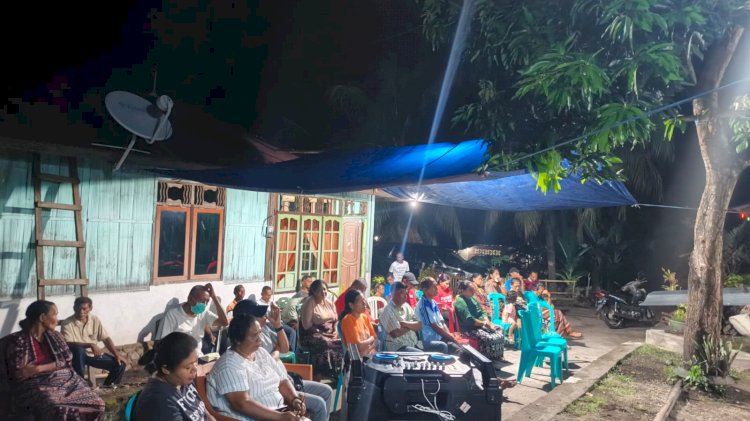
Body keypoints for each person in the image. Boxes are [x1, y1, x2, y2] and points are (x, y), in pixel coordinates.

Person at [208, 314, 329, 421]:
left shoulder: (261, 353)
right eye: (254, 336)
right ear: (238, 340)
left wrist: (294, 399)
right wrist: (281, 417)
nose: (260, 339)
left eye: (260, 333)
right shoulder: (229, 365)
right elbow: (241, 403)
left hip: (279, 410)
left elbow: (282, 381)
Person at [7, 300, 104, 420]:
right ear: (42, 317)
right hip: (37, 384)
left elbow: (66, 360)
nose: (57, 320)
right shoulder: (18, 341)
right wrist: (51, 367)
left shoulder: (56, 336)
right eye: (55, 315)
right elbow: (20, 373)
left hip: (66, 380)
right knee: (58, 407)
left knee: (97, 404)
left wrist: (38, 368)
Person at [234, 300, 333, 414]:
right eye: (259, 315)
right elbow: (266, 361)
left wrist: (278, 325)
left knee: (327, 391)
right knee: (319, 404)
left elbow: (285, 348)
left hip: (286, 379)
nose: (265, 316)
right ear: (247, 320)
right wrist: (277, 350)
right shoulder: (247, 342)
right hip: (275, 387)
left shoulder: (265, 329)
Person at [134, 332, 215, 421]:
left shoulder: (181, 380)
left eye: (195, 362)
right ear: (166, 369)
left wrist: (210, 417)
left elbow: (198, 405)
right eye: (188, 367)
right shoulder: (160, 402)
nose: (194, 369)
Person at [60, 296, 127, 387]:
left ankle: (107, 388)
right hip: (76, 357)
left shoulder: (95, 319)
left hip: (93, 354)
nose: (81, 311)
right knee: (79, 350)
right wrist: (90, 344)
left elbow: (106, 338)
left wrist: (117, 355)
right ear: (74, 308)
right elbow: (68, 343)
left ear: (90, 308)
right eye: (78, 308)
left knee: (120, 365)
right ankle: (80, 385)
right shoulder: (67, 323)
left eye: (84, 309)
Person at [157, 283, 229, 357]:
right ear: (190, 299)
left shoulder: (204, 313)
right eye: (202, 301)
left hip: (198, 357)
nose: (204, 305)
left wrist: (214, 297)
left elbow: (224, 322)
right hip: (179, 358)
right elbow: (162, 343)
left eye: (207, 302)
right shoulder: (172, 315)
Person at [299, 280, 343, 378]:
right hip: (311, 333)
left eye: (325, 289)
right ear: (314, 291)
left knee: (341, 342)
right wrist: (323, 334)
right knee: (324, 342)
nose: (323, 292)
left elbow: (336, 320)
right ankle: (320, 373)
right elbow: (307, 326)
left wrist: (335, 331)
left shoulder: (330, 303)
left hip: (330, 332)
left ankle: (336, 372)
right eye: (320, 290)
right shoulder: (309, 303)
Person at [454, 281, 505, 360]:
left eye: (473, 289)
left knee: (499, 329)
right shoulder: (460, 302)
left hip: (480, 326)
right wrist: (484, 323)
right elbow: (469, 320)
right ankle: (485, 359)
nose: (473, 291)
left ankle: (496, 356)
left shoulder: (472, 299)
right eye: (470, 289)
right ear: (463, 291)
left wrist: (486, 320)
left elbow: (482, 311)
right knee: (486, 337)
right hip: (468, 329)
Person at [415, 278, 462, 355]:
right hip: (428, 340)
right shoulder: (423, 305)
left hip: (439, 337)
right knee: (456, 349)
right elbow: (435, 327)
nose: (437, 288)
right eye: (434, 287)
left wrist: (450, 335)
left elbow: (442, 322)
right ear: (425, 290)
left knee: (461, 348)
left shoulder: (433, 302)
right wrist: (452, 338)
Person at [379, 282, 421, 352]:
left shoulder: (406, 306)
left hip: (414, 343)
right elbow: (395, 333)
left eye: (406, 293)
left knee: (435, 350)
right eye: (402, 293)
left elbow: (419, 325)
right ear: (393, 294)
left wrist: (405, 324)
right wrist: (411, 324)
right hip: (398, 348)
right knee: (422, 355)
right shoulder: (387, 311)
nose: (405, 296)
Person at [258, 285, 297, 353]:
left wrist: (277, 310)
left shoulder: (271, 302)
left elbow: (278, 312)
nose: (269, 297)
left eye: (270, 295)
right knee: (291, 332)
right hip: (268, 323)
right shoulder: (259, 303)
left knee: (293, 329)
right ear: (262, 294)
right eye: (267, 295)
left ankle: (290, 350)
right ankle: (289, 351)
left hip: (278, 322)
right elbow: (262, 317)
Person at [339, 289, 378, 358]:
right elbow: (357, 347)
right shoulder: (348, 320)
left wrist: (367, 349)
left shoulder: (364, 317)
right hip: (358, 360)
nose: (364, 303)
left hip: (370, 355)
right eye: (361, 301)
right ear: (351, 305)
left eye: (364, 300)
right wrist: (371, 339)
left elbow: (375, 338)